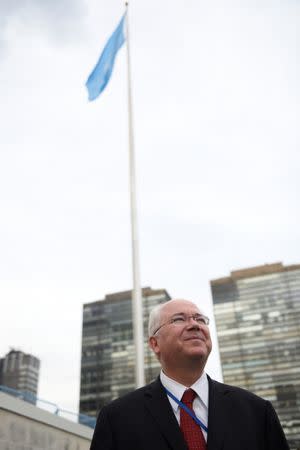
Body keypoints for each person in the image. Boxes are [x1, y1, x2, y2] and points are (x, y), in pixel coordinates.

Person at [90, 299, 290, 450]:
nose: (195, 325)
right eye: (179, 319)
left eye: (200, 319)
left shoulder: (257, 411)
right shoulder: (117, 418)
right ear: (155, 343)